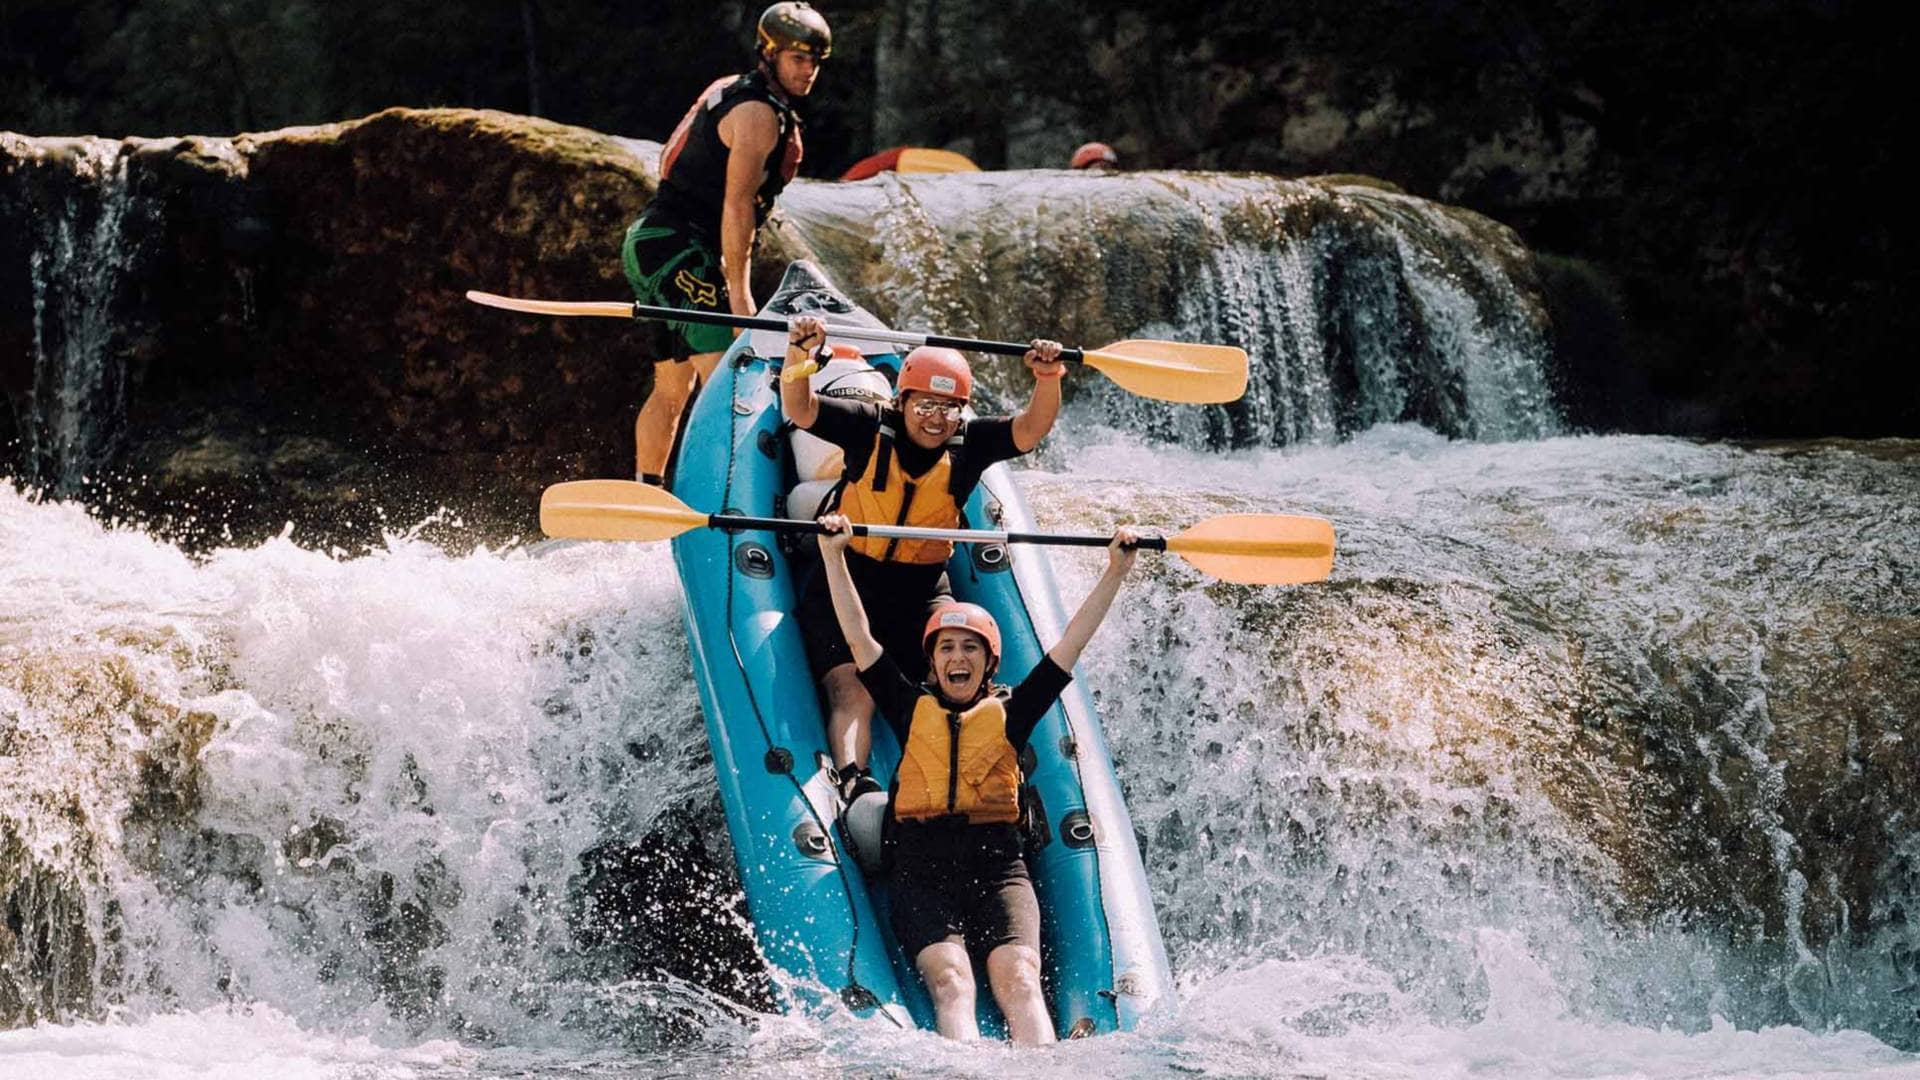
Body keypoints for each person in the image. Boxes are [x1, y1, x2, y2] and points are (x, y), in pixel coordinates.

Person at [815, 512, 1140, 1043]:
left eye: (970, 648)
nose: (957, 656)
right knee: (952, 981)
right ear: (933, 664)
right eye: (946, 648)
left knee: (1019, 982)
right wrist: (834, 555)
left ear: (989, 663)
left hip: (999, 871)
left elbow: (1070, 646)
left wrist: (1116, 571)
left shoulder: (1014, 711)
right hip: (921, 871)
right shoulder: (906, 704)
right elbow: (857, 634)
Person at [778, 313, 1066, 805]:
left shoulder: (970, 445)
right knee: (854, 690)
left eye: (949, 408)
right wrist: (800, 357)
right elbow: (802, 412)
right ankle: (855, 780)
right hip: (847, 579)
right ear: (902, 401)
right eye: (926, 405)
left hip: (922, 588)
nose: (936, 418)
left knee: (956, 663)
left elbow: (1030, 429)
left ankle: (977, 771)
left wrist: (1046, 377)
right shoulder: (868, 427)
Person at [625, 2, 830, 486]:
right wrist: (739, 295)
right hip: (677, 249)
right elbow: (737, 206)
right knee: (730, 382)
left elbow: (672, 161)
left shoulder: (728, 89)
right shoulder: (758, 114)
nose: (808, 71)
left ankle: (647, 490)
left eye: (815, 62)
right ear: (770, 53)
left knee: (673, 386)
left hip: (649, 242)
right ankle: (727, 496)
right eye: (798, 59)